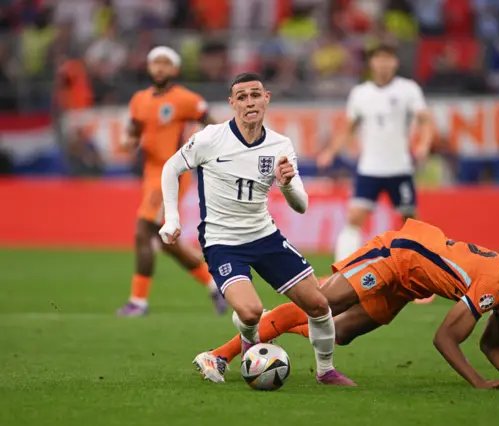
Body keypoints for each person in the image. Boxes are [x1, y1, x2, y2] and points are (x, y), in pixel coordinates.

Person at [159, 72, 355, 386]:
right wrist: (172, 218)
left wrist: (287, 184)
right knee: (250, 313)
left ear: (267, 98)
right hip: (222, 241)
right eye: (242, 97)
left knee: (319, 304)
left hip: (265, 236)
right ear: (232, 103)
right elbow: (171, 168)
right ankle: (249, 341)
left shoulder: (280, 145)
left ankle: (326, 372)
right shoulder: (211, 138)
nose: (249, 102)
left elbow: (301, 205)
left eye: (255, 95)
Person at [205, 219, 499, 389]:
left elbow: (492, 344)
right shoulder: (496, 283)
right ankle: (219, 355)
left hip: (408, 283)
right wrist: (478, 382)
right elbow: (445, 339)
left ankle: (274, 322)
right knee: (321, 304)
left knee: (341, 333)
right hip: (397, 255)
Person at [116, 46, 227, 317]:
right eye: (156, 62)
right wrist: (128, 140)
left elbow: (212, 126)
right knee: (166, 241)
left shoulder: (185, 99)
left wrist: (207, 152)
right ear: (149, 67)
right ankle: (214, 284)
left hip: (172, 173)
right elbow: (133, 131)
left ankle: (138, 302)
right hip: (149, 174)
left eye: (166, 63)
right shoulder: (139, 100)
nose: (160, 67)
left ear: (175, 69)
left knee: (143, 231)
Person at [317, 44, 434, 264]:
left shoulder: (408, 89)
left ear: (395, 62)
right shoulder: (360, 93)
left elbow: (425, 120)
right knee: (354, 217)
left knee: (411, 221)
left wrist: (424, 144)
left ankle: (422, 271)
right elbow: (349, 127)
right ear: (371, 63)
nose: (383, 64)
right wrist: (330, 151)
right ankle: (345, 269)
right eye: (379, 59)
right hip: (369, 168)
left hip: (399, 167)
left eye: (388, 59)